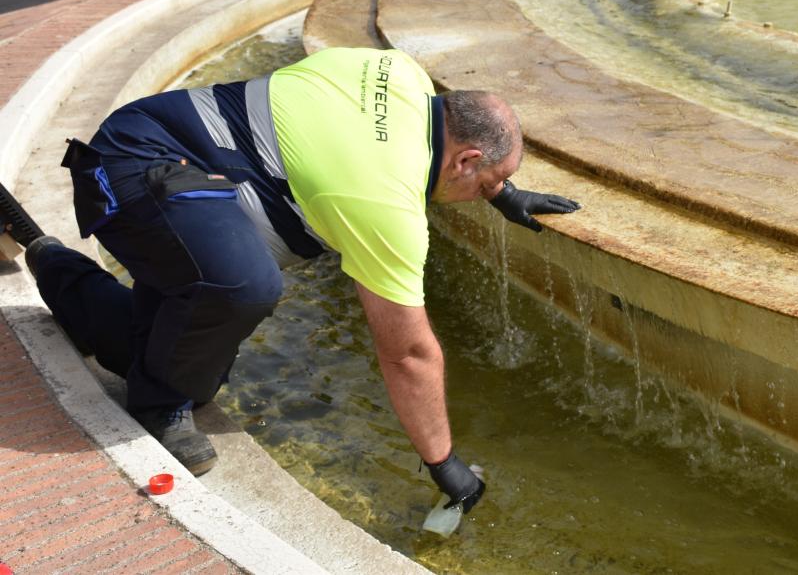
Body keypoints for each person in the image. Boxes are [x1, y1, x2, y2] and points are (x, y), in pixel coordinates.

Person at [0, 46, 579, 516]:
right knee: (244, 289)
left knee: (165, 351)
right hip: (133, 179)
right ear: (465, 160)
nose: (481, 197)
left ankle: (48, 256)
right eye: (484, 183)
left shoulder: (397, 71)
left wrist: (500, 189)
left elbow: (397, 134)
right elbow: (407, 353)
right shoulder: (384, 201)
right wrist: (442, 461)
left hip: (148, 146)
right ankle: (158, 407)